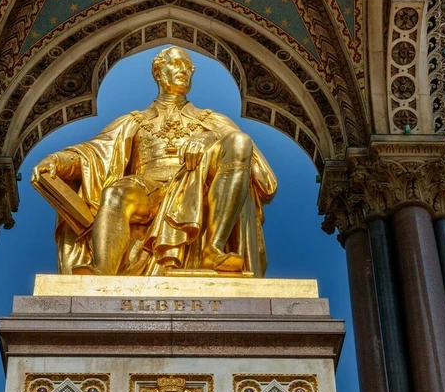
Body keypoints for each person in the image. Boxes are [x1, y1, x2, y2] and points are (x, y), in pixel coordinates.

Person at [32, 46, 277, 276]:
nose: (184, 70)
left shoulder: (212, 120)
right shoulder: (135, 121)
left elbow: (262, 177)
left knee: (237, 141)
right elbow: (93, 153)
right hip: (147, 188)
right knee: (115, 193)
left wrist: (212, 137)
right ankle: (102, 270)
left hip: (197, 188)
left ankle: (213, 248)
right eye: (177, 64)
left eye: (188, 67)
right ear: (159, 72)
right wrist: (57, 160)